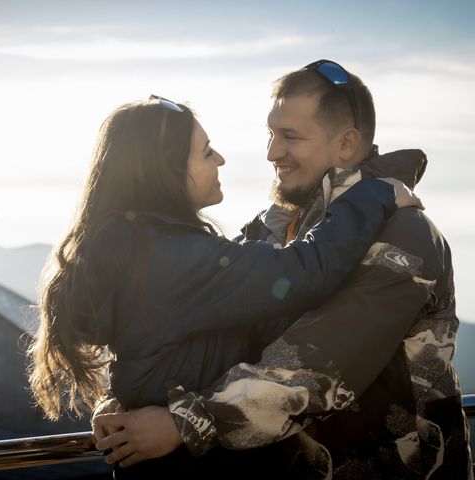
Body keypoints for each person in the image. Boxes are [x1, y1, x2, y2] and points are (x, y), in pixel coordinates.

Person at [93, 62, 473, 478]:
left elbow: (317, 368)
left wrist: (185, 422)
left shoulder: (401, 232)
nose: (272, 152)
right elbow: (201, 336)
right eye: (271, 134)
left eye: (290, 137)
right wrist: (133, 403)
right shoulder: (275, 232)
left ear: (346, 144)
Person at [27, 94, 419, 478]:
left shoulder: (132, 246)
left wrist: (136, 398)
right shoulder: (174, 258)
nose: (220, 159)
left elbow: (161, 347)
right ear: (165, 170)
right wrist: (376, 193)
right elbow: (305, 271)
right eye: (205, 152)